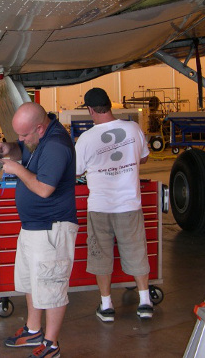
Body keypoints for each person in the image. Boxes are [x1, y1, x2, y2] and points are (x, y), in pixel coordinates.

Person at [0, 102, 78, 358]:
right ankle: (33, 330)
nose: (20, 139)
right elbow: (26, 149)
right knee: (33, 281)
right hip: (33, 227)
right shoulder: (40, 138)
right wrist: (11, 148)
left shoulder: (56, 146)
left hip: (51, 230)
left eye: (23, 135)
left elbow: (43, 189)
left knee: (51, 287)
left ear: (39, 129)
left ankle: (52, 345)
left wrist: (17, 170)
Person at [74, 87, 152, 322]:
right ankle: (145, 302)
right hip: (129, 204)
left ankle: (107, 306)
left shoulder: (87, 138)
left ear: (90, 109)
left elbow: (75, 171)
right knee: (137, 250)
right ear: (109, 105)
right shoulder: (132, 128)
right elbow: (144, 156)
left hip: (100, 206)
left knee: (101, 255)